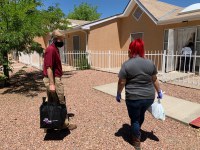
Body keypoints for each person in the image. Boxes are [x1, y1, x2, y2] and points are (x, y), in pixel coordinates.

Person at [116, 39, 163, 149]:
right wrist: (159, 91)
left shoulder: (127, 64)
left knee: (134, 119)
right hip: (148, 98)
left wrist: (118, 93)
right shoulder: (150, 63)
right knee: (141, 114)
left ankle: (136, 139)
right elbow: (154, 79)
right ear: (142, 49)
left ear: (130, 50)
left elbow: (122, 81)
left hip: (133, 98)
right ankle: (137, 129)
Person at [43, 29, 77, 131]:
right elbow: (49, 67)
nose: (63, 41)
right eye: (62, 39)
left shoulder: (55, 49)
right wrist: (52, 84)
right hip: (53, 79)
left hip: (54, 79)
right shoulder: (51, 49)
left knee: (52, 101)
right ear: (57, 39)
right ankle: (64, 124)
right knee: (60, 101)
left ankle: (48, 124)